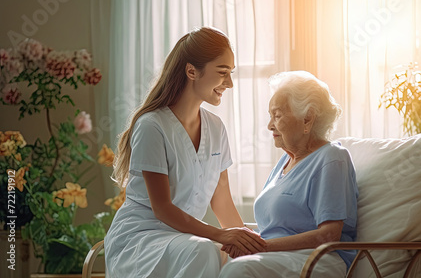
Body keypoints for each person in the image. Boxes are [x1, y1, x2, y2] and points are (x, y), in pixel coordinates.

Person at [104, 27, 266, 278]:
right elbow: (163, 209)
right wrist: (222, 235)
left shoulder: (216, 128)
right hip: (141, 241)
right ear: (191, 71)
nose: (230, 83)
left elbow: (222, 202)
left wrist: (247, 245)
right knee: (203, 251)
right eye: (223, 73)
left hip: (185, 242)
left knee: (234, 259)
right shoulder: (152, 126)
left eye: (231, 74)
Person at [219, 71, 359, 277]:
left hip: (317, 259)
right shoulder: (285, 161)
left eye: (277, 115)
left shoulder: (332, 157)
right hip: (277, 256)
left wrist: (260, 247)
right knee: (209, 254)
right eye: (270, 116)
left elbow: (329, 234)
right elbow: (277, 228)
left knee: (239, 269)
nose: (269, 125)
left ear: (307, 119)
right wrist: (246, 241)